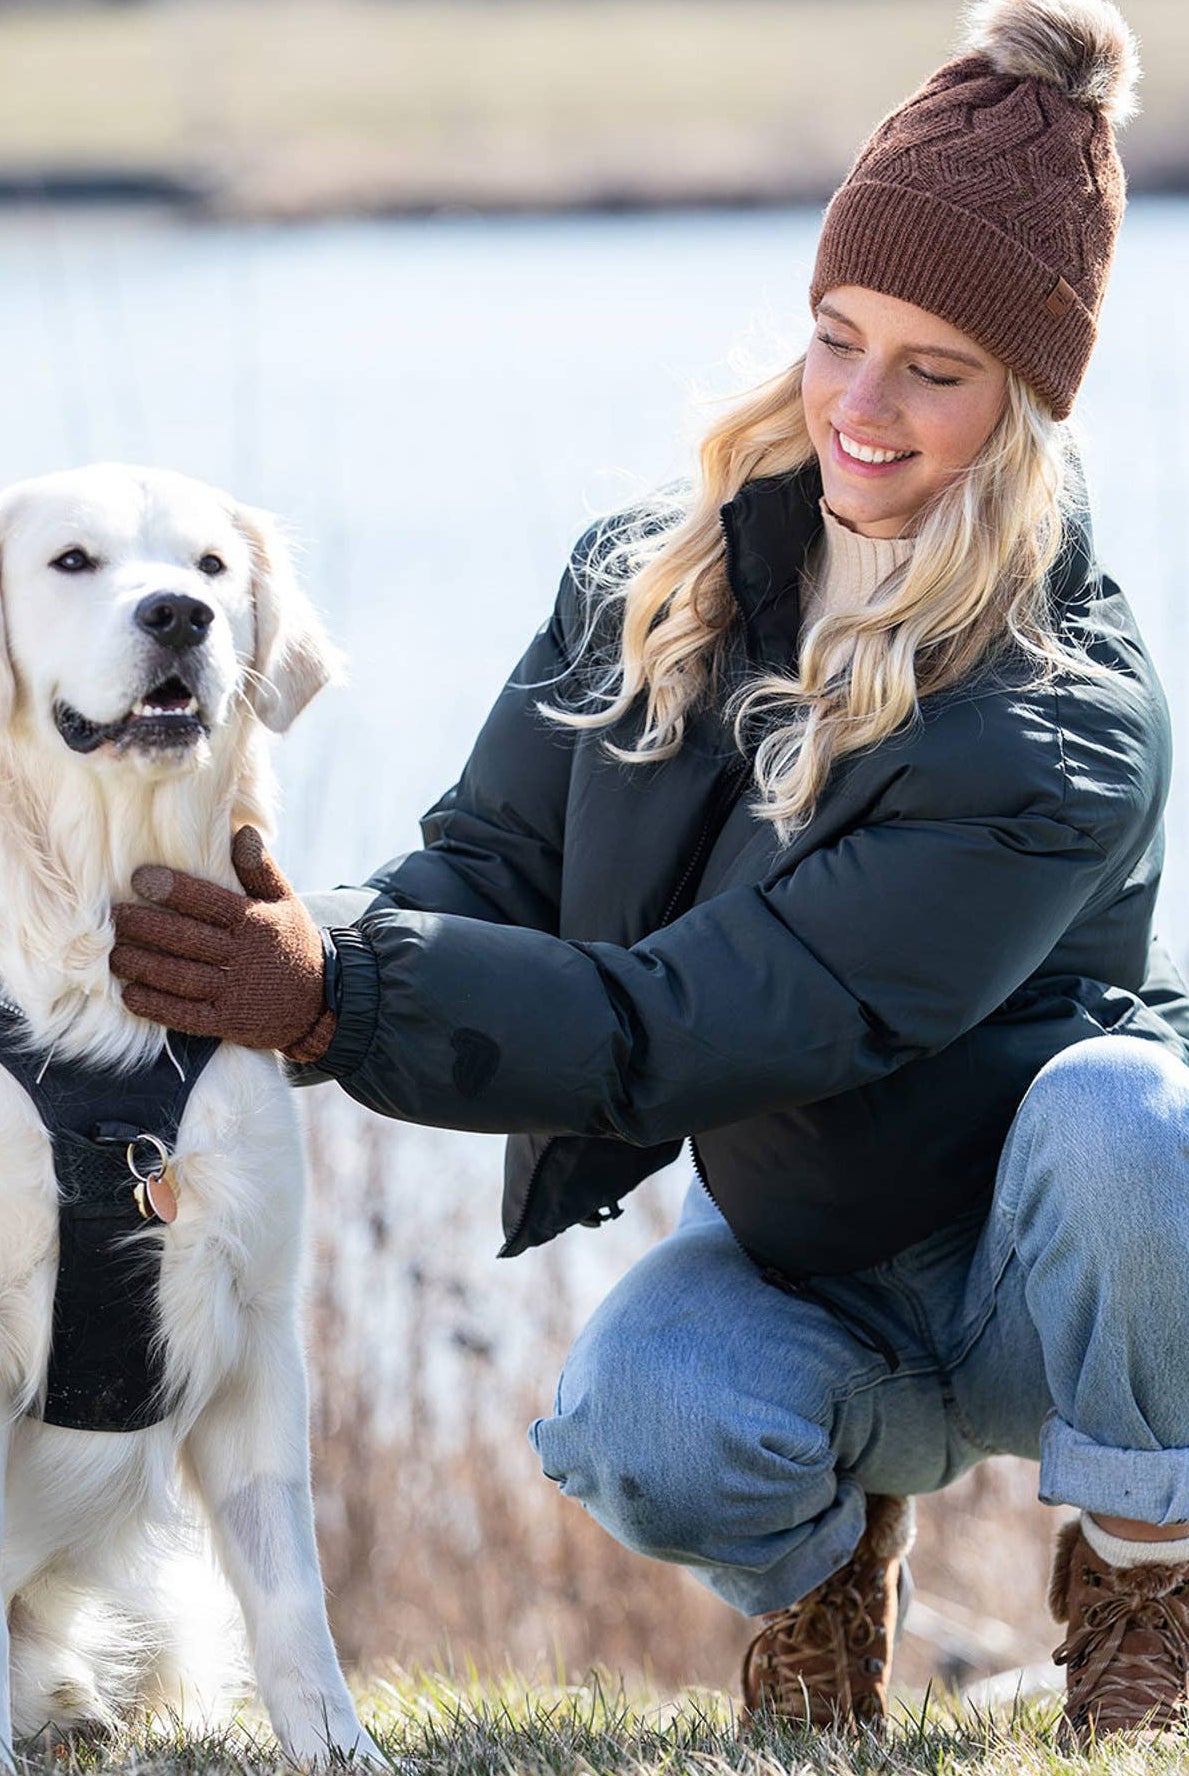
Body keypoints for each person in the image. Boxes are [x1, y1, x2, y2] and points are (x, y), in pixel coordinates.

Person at [109, 0, 1189, 1742]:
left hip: (1032, 1271)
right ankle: (828, 1565)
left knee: (1139, 1122)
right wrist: (299, 947)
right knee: (640, 1428)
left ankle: (1142, 1575)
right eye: (839, 336)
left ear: (1024, 402)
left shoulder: (1057, 727)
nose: (861, 407)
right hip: (801, 1250)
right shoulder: (650, 580)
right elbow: (492, 856)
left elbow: (719, 1017)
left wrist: (339, 997)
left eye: (935, 368)